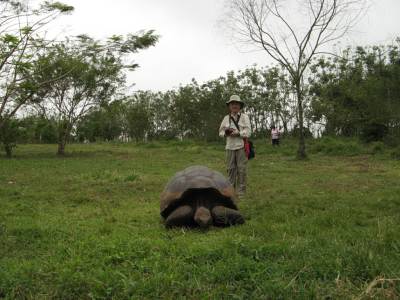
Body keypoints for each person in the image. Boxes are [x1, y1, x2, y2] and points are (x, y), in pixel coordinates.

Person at [219, 95, 251, 196]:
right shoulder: (226, 118)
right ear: (229, 106)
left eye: (236, 104)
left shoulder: (245, 117)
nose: (234, 105)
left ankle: (241, 192)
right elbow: (220, 132)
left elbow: (248, 132)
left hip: (241, 146)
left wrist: (238, 133)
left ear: (240, 106)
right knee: (230, 169)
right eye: (232, 104)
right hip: (229, 147)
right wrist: (226, 133)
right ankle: (231, 191)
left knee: (242, 169)